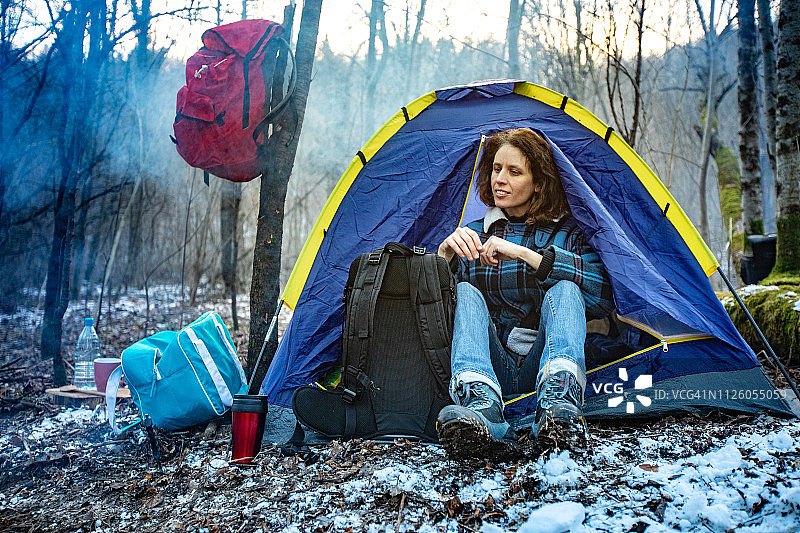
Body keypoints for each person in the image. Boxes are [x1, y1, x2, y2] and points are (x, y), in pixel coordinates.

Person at [436, 128, 614, 459]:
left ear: (540, 183)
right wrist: (443, 256)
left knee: (565, 288)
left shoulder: (569, 234)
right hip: (493, 367)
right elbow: (431, 316)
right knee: (464, 291)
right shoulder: (473, 234)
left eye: (514, 172)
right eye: (495, 169)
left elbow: (602, 297)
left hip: (543, 362)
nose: (499, 180)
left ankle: (560, 407)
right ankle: (481, 409)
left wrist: (524, 254)